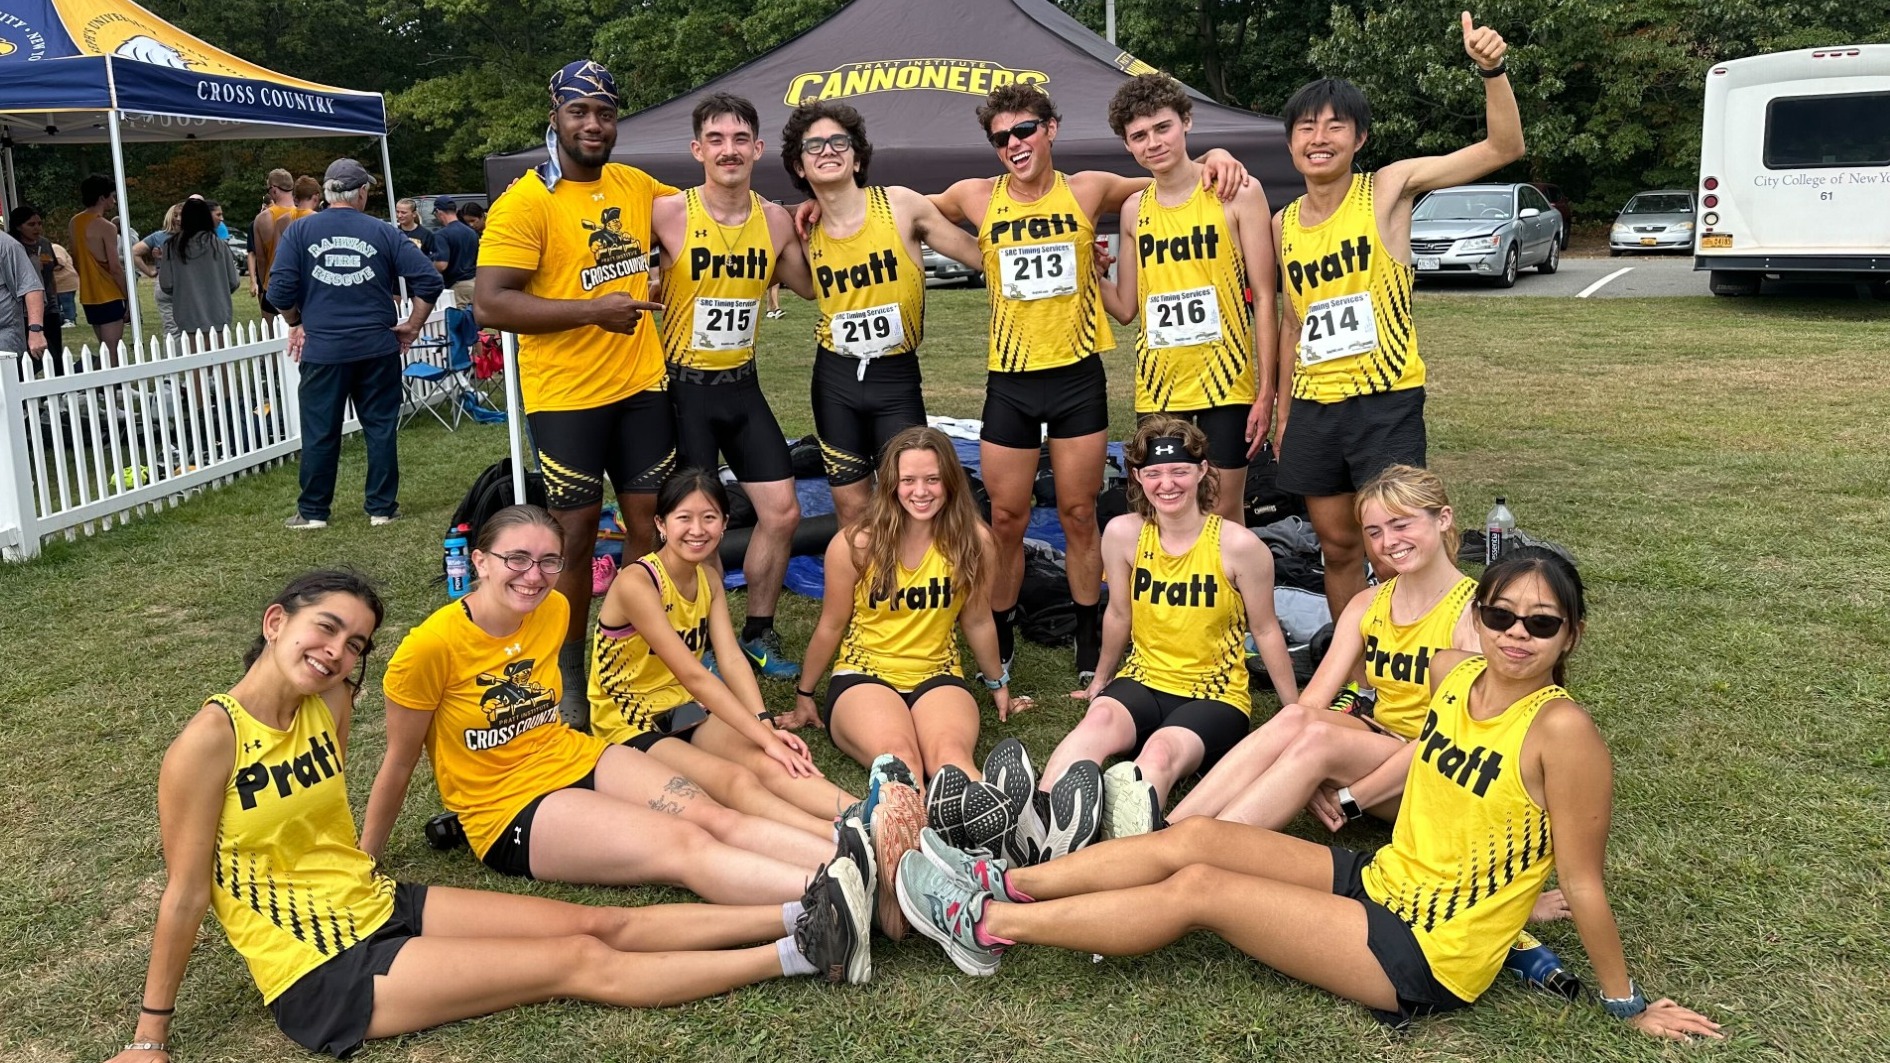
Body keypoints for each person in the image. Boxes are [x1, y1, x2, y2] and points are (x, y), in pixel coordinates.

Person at [898, 548, 1724, 1044]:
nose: (1517, 633)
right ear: (1478, 616)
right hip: (1386, 879)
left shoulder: (1563, 731)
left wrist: (1626, 1004)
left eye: (1541, 623)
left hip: (1426, 951)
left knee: (1201, 889)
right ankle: (1007, 879)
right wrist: (1370, 803)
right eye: (1502, 614)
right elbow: (1423, 748)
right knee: (1197, 837)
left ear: (1571, 634)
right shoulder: (1456, 674)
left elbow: (1583, 879)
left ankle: (986, 923)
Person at [104, 571, 870, 1063]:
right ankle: (804, 950)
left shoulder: (327, 703)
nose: (338, 652)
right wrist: (148, 1036)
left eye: (355, 643)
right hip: (323, 970)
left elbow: (338, 811)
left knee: (595, 920)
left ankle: (808, 906)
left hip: (379, 902)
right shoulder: (209, 741)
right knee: (577, 961)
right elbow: (186, 894)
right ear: (276, 620)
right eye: (325, 628)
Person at [362, 504, 860, 907]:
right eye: (517, 559)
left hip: (576, 755)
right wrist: (365, 861)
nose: (534, 576)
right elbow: (400, 764)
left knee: (716, 818)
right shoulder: (429, 648)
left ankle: (862, 854)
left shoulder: (553, 609)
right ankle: (847, 895)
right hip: (508, 807)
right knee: (685, 845)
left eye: (549, 562)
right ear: (480, 561)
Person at [924, 82, 1250, 686]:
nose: (1014, 144)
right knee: (1007, 518)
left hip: (1078, 377)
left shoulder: (1089, 188)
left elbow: (1166, 172)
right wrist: (822, 205)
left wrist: (1219, 156)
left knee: (1078, 514)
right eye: (1001, 138)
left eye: (1025, 130)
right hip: (1011, 382)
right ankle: (1001, 631)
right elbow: (901, 208)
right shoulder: (975, 195)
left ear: (1050, 129)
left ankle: (1086, 632)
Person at [1272, 15, 1524, 622]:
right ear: (1291, 142)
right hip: (1313, 406)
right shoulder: (1282, 223)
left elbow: (1503, 148)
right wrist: (1282, 411)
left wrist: (1492, 70)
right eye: (1307, 127)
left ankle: (1421, 648)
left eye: (1336, 126)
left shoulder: (1387, 189)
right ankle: (1357, 662)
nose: (1320, 138)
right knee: (1337, 547)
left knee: (1398, 548)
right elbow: (1292, 323)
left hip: (1383, 403)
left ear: (1359, 139)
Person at [476, 59, 680, 729]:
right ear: (555, 118)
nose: (593, 124)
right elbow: (490, 303)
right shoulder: (526, 201)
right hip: (566, 395)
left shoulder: (635, 185)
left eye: (605, 113)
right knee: (576, 534)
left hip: (641, 385)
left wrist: (785, 213)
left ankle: (633, 654)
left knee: (649, 526)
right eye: (579, 112)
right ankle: (568, 674)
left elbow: (705, 210)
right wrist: (593, 311)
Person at [1016, 416, 1298, 864]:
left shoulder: (1240, 546)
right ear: (1137, 476)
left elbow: (1264, 630)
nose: (1167, 484)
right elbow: (1119, 613)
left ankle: (1128, 851)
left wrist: (1292, 711)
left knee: (1160, 751)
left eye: (1179, 471)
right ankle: (1039, 820)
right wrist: (1100, 681)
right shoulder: (1123, 533)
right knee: (1097, 720)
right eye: (1154, 473)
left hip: (1213, 696)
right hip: (1143, 679)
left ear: (1202, 471)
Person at [1169, 463, 1475, 829]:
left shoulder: (1474, 615)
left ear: (1443, 519)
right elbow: (1311, 703)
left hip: (1440, 768)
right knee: (1296, 719)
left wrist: (1349, 796)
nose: (1388, 542)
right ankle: (1171, 826)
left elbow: (1450, 739)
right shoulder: (1369, 602)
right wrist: (1298, 763)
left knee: (1317, 742)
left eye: (1401, 525)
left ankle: (1198, 843)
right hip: (1381, 742)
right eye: (1374, 532)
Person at [788, 427, 1020, 855]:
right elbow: (831, 625)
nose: (921, 491)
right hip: (864, 676)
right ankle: (921, 852)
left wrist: (997, 684)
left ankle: (1000, 838)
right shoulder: (857, 543)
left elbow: (977, 620)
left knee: (952, 760)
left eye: (932, 479)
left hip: (937, 674)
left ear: (951, 480)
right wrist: (805, 695)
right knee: (900, 760)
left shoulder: (974, 541)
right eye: (908, 480)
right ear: (891, 484)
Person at [650, 91, 815, 679]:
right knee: (695, 524)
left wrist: (819, 215)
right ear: (697, 150)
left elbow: (810, 285)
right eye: (716, 140)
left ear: (758, 148)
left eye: (740, 139)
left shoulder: (774, 220)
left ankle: (757, 632)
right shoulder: (667, 213)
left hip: (743, 388)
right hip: (683, 392)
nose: (729, 150)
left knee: (783, 513)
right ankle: (702, 638)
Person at [590, 468, 853, 829]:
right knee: (735, 780)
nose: (697, 530)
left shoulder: (709, 579)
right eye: (684, 518)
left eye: (709, 518)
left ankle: (871, 812)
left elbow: (730, 658)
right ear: (661, 524)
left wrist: (763, 725)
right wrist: (764, 737)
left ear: (725, 524)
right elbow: (694, 675)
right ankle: (839, 835)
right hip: (628, 720)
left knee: (769, 760)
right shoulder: (638, 582)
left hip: (681, 707)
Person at [780, 100, 982, 528]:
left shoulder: (901, 205)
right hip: (834, 379)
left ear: (857, 157)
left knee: (914, 500)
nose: (827, 150)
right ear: (800, 166)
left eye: (839, 141)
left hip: (896, 378)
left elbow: (981, 256)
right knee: (853, 510)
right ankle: (865, 574)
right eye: (813, 145)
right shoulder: (802, 231)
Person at [1096, 74, 1277, 528]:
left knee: (1224, 512)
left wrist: (1267, 391)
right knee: (1163, 511)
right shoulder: (1134, 209)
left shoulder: (1236, 191)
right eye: (1139, 135)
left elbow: (1265, 298)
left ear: (1187, 122)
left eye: (1163, 127)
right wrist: (1091, 273)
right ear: (1127, 145)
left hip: (1226, 383)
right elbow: (1125, 308)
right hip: (1160, 386)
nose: (1153, 143)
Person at [267, 158, 441, 530]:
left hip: (324, 350)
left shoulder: (300, 232)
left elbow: (278, 291)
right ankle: (381, 507)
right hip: (377, 347)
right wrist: (412, 325)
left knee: (320, 429)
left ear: (327, 192)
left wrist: (295, 322)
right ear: (361, 192)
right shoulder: (383, 232)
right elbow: (429, 280)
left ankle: (313, 511)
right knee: (380, 427)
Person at [158, 199, 241, 341]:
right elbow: (233, 281)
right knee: (220, 353)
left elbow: (166, 283)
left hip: (187, 315)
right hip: (219, 313)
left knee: (194, 353)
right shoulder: (219, 246)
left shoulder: (172, 247)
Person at [70, 173, 130, 363]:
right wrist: (128, 297)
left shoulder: (74, 222)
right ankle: (113, 382)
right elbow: (115, 267)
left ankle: (102, 379)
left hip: (89, 294)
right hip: (108, 293)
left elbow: (75, 259)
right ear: (102, 197)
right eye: (112, 196)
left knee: (104, 348)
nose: (114, 200)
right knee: (112, 351)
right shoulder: (106, 226)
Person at [5, 206, 56, 373]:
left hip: (48, 306)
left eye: (39, 223)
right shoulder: (13, 246)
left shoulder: (44, 244)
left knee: (54, 354)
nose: (37, 228)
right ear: (19, 226)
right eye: (31, 224)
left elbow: (50, 274)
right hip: (25, 312)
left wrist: (54, 297)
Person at [250, 169, 298, 323]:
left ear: (274, 190)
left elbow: (261, 259)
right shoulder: (306, 214)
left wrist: (264, 285)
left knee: (270, 333)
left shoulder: (262, 219)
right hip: (299, 285)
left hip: (273, 285)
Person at [132, 204, 184, 336]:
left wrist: (152, 270)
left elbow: (134, 252)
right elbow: (134, 253)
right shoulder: (193, 238)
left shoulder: (158, 237)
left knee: (171, 329)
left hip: (165, 282)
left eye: (182, 215)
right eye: (176, 215)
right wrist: (150, 272)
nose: (179, 219)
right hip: (178, 283)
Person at [433, 197, 481, 308]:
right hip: (474, 282)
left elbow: (442, 264)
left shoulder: (442, 235)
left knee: (460, 317)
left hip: (457, 286)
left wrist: (428, 266)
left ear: (438, 212)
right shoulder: (472, 232)